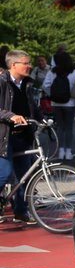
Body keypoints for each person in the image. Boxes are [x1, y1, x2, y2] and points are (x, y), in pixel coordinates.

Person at [0, 50, 40, 225]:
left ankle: (21, 212)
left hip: (23, 135)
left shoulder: (27, 84)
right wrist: (10, 116)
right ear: (13, 65)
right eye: (26, 63)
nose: (29, 66)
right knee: (4, 173)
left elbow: (31, 106)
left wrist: (43, 118)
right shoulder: (2, 83)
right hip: (4, 136)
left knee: (26, 175)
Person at [42, 52, 75, 160]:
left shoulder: (52, 72)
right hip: (70, 103)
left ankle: (61, 151)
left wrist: (52, 95)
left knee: (60, 127)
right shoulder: (74, 72)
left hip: (56, 103)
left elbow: (45, 85)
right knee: (68, 127)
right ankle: (68, 152)